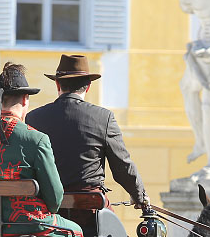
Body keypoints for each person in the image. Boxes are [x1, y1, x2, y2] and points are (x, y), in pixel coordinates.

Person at [0, 63, 84, 237]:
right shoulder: (37, 139)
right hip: (29, 226)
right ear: (26, 99)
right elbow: (55, 199)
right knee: (75, 233)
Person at [27, 54, 149, 209]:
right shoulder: (104, 118)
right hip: (89, 209)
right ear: (88, 86)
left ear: (58, 85)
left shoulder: (33, 118)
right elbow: (122, 167)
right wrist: (140, 196)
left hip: (48, 210)